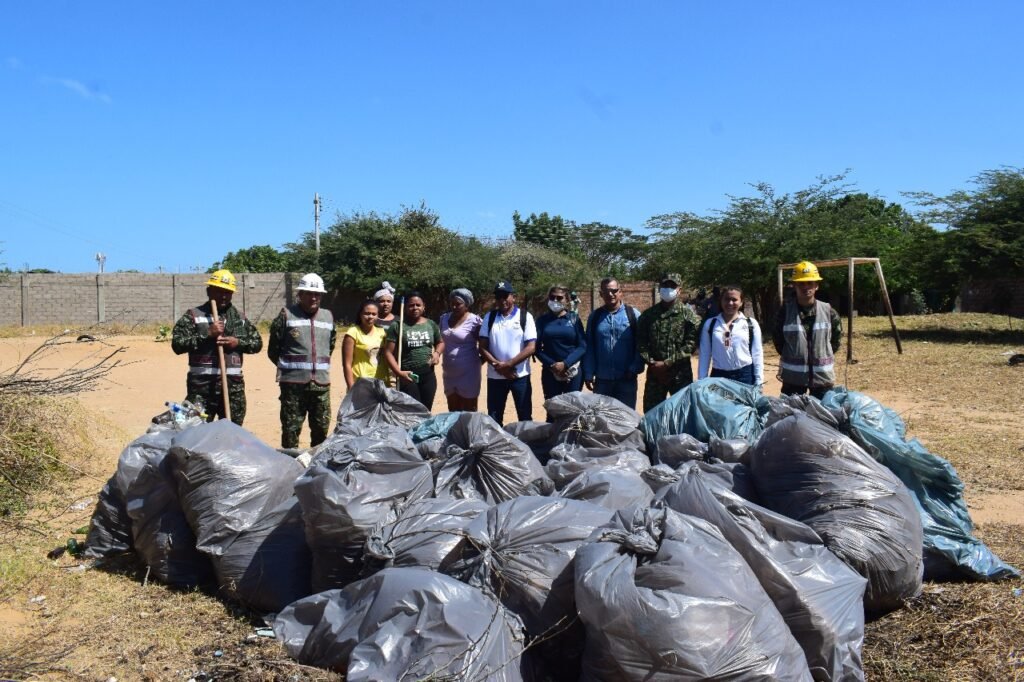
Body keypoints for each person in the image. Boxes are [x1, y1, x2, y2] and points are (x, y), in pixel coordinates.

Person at [171, 269, 262, 425]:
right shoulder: (194, 315)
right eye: (219, 291)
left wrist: (238, 343)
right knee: (196, 432)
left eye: (228, 292)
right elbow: (177, 345)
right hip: (201, 388)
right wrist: (207, 334)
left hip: (232, 388)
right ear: (209, 291)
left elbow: (257, 344)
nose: (224, 296)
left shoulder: (240, 318)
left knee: (232, 433)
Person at [267, 273, 337, 449]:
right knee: (291, 432)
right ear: (300, 294)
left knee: (321, 431)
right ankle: (290, 469)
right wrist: (291, 369)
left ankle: (316, 469)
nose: (314, 297)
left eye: (317, 294)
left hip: (320, 385)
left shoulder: (328, 317)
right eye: (309, 293)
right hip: (293, 386)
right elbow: (273, 350)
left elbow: (330, 345)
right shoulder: (287, 315)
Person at [772, 261, 842, 399]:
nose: (805, 287)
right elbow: (778, 341)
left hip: (822, 377)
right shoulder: (785, 312)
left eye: (810, 283)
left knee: (823, 417)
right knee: (790, 416)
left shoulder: (829, 311)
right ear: (794, 285)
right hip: (793, 379)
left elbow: (835, 340)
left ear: (817, 285)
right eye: (801, 284)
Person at [636, 273, 701, 412]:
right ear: (659, 288)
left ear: (679, 290)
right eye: (665, 285)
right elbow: (641, 342)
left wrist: (666, 364)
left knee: (682, 414)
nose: (668, 289)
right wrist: (652, 363)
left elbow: (691, 344)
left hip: (680, 375)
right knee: (652, 414)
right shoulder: (648, 316)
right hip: (655, 375)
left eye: (672, 286)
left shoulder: (689, 316)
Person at [479, 280, 537, 426]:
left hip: (519, 375)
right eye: (498, 297)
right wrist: (498, 366)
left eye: (505, 296)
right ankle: (496, 447)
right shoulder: (490, 317)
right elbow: (482, 346)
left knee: (524, 415)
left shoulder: (525, 316)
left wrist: (508, 365)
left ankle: (526, 446)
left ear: (513, 297)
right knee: (494, 416)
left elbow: (531, 347)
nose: (502, 300)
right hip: (495, 376)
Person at [582, 277, 644, 409]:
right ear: (600, 294)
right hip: (602, 380)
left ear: (620, 292)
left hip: (626, 379)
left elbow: (641, 345)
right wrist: (588, 372)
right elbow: (590, 347)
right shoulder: (595, 317)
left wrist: (634, 368)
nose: (610, 294)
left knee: (626, 419)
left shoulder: (633, 315)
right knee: (601, 420)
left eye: (614, 291)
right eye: (606, 291)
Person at [382, 291, 443, 409]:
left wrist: (437, 353)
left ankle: (425, 429)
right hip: (408, 377)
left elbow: (440, 342)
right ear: (405, 307)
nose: (415, 308)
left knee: (426, 409)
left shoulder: (431, 324)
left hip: (428, 375)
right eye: (411, 305)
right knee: (412, 411)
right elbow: (388, 353)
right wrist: (399, 373)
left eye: (418, 305)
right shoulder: (398, 326)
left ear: (423, 306)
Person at [698, 285, 764, 388]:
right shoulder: (710, 324)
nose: (730, 303)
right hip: (719, 377)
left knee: (743, 404)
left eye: (734, 300)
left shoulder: (751, 324)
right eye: (727, 299)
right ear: (721, 301)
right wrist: (702, 382)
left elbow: (757, 354)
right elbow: (704, 354)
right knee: (719, 404)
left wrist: (759, 381)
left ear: (741, 302)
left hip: (745, 377)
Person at [535, 284, 586, 400]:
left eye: (559, 298)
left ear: (567, 300)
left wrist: (566, 364)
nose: (555, 300)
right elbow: (537, 348)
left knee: (573, 410)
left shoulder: (574, 319)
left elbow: (582, 346)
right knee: (552, 411)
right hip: (550, 372)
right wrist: (553, 365)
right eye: (552, 297)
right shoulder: (542, 321)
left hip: (573, 372)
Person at [439, 288, 483, 412]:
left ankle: (469, 432)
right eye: (452, 303)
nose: (454, 306)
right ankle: (456, 432)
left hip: (469, 373)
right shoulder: (444, 319)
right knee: (452, 409)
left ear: (467, 304)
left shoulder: (475, 321)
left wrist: (478, 362)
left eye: (458, 304)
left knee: (470, 409)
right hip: (449, 372)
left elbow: (485, 345)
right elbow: (439, 341)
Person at [342, 299, 389, 389]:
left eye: (373, 314)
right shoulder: (353, 333)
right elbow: (347, 364)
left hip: (381, 382)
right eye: (367, 313)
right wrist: (351, 387)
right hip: (361, 383)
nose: (370, 316)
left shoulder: (382, 333)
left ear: (378, 316)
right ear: (360, 314)